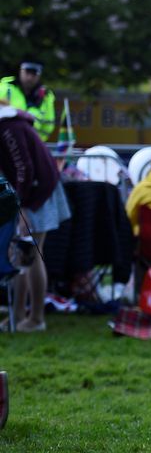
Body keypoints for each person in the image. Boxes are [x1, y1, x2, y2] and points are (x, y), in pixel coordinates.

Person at [0, 107, 71, 332]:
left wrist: (22, 207)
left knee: (30, 255)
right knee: (19, 256)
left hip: (36, 195)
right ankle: (18, 315)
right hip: (29, 193)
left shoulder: (9, 127)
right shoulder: (7, 125)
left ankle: (37, 318)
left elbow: (25, 169)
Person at [0, 61, 56, 140]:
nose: (30, 77)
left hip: (30, 142)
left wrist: (34, 142)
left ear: (39, 76)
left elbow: (47, 126)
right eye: (27, 72)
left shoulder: (45, 96)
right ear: (20, 71)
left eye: (34, 74)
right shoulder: (4, 88)